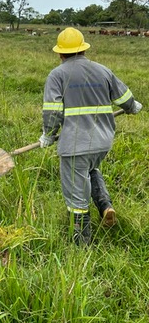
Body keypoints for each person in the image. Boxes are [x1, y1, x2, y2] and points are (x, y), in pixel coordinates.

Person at [39, 27, 142, 246]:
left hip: (75, 145)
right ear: (83, 49)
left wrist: (48, 135)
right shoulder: (103, 70)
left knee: (76, 194)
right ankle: (105, 206)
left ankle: (81, 245)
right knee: (91, 170)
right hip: (103, 142)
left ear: (60, 53)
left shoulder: (57, 75)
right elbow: (125, 98)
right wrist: (133, 107)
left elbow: (53, 112)